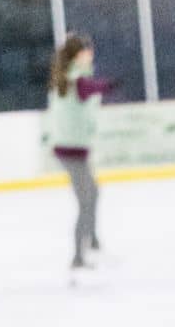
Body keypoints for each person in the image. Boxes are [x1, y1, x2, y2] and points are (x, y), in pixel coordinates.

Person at [43, 34, 119, 276]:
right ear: (78, 54)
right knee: (86, 200)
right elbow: (90, 89)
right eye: (87, 50)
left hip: (74, 147)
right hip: (70, 150)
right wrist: (110, 85)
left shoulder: (68, 78)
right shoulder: (75, 80)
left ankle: (92, 240)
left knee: (92, 194)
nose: (91, 54)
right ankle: (78, 255)